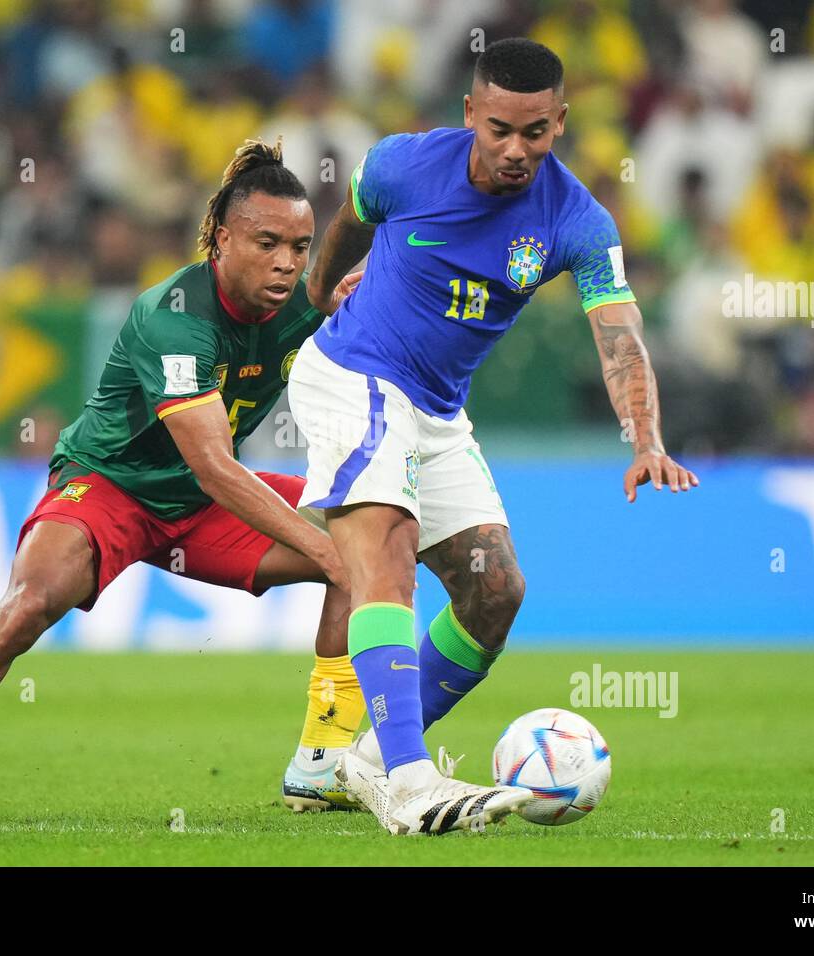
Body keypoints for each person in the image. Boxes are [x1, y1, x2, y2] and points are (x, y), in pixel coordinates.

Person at [0, 141, 369, 819]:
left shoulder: (304, 301)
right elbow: (212, 464)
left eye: (299, 246)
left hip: (200, 504)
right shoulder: (174, 316)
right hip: (112, 487)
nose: (287, 262)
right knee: (26, 609)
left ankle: (319, 766)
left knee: (369, 546)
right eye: (268, 243)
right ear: (222, 238)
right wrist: (320, 546)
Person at [290, 38, 700, 835]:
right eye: (502, 129)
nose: (518, 150)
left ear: (561, 123)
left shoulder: (577, 219)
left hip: (437, 410)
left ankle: (369, 760)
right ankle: (410, 784)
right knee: (387, 557)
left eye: (537, 133)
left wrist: (645, 435)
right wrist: (316, 297)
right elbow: (349, 223)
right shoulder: (401, 164)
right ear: (471, 112)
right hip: (353, 375)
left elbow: (618, 331)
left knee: (496, 591)